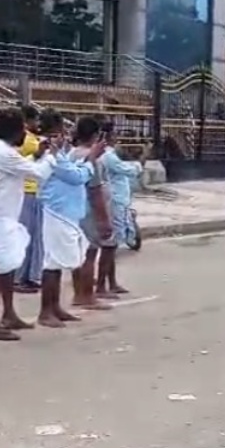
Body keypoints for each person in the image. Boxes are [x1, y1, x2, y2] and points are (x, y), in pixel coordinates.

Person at [0, 108, 52, 341]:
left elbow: (24, 165)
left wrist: (38, 155)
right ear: (14, 131)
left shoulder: (6, 151)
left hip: (7, 216)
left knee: (8, 266)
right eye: (23, 128)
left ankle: (9, 314)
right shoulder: (3, 153)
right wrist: (51, 156)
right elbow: (38, 173)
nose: (27, 132)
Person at [36, 109, 103, 327]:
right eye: (60, 132)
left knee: (59, 263)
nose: (64, 135)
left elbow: (72, 170)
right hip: (58, 212)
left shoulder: (58, 153)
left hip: (67, 213)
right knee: (52, 264)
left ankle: (55, 307)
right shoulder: (50, 155)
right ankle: (46, 311)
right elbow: (76, 176)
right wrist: (90, 159)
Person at [68, 117, 113, 310]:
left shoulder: (70, 154)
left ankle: (79, 293)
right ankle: (86, 295)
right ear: (95, 135)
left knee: (78, 254)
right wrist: (104, 220)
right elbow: (95, 192)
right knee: (90, 253)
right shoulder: (93, 159)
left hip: (73, 209)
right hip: (88, 211)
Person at [97, 126, 144, 293]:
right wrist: (139, 164)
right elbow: (128, 170)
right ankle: (103, 285)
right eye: (114, 135)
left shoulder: (109, 155)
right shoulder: (108, 156)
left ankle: (112, 282)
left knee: (113, 245)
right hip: (114, 201)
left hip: (117, 200)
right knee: (111, 245)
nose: (116, 138)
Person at [14, 105, 44, 293]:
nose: (37, 124)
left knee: (35, 237)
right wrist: (38, 153)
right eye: (35, 120)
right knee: (28, 235)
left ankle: (30, 276)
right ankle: (19, 278)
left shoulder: (31, 138)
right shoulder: (24, 139)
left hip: (34, 190)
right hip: (28, 191)